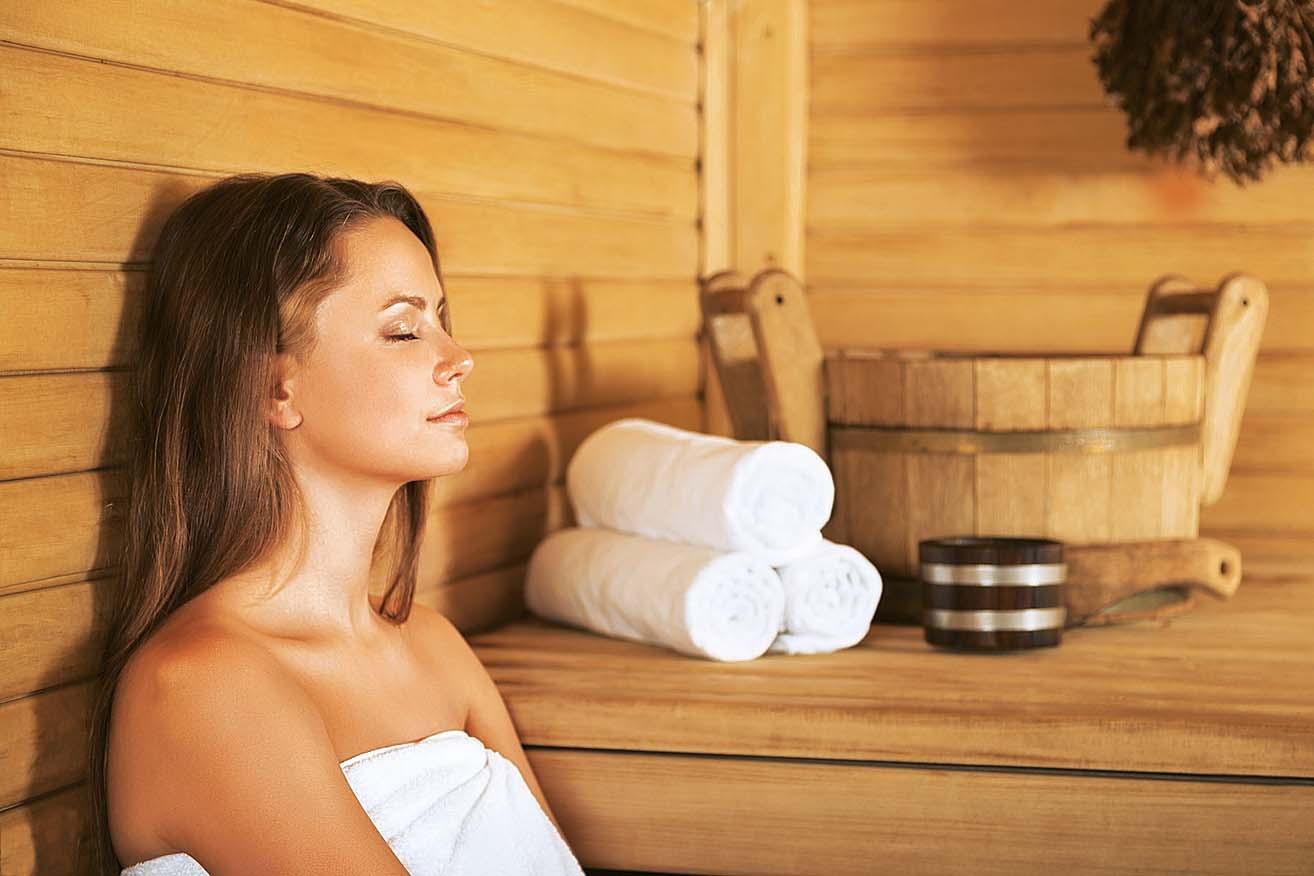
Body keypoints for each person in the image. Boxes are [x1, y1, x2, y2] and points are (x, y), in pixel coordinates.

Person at [85, 173, 584, 875]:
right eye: (404, 330)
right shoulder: (201, 687)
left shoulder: (434, 646)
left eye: (442, 320)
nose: (458, 358)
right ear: (274, 388)